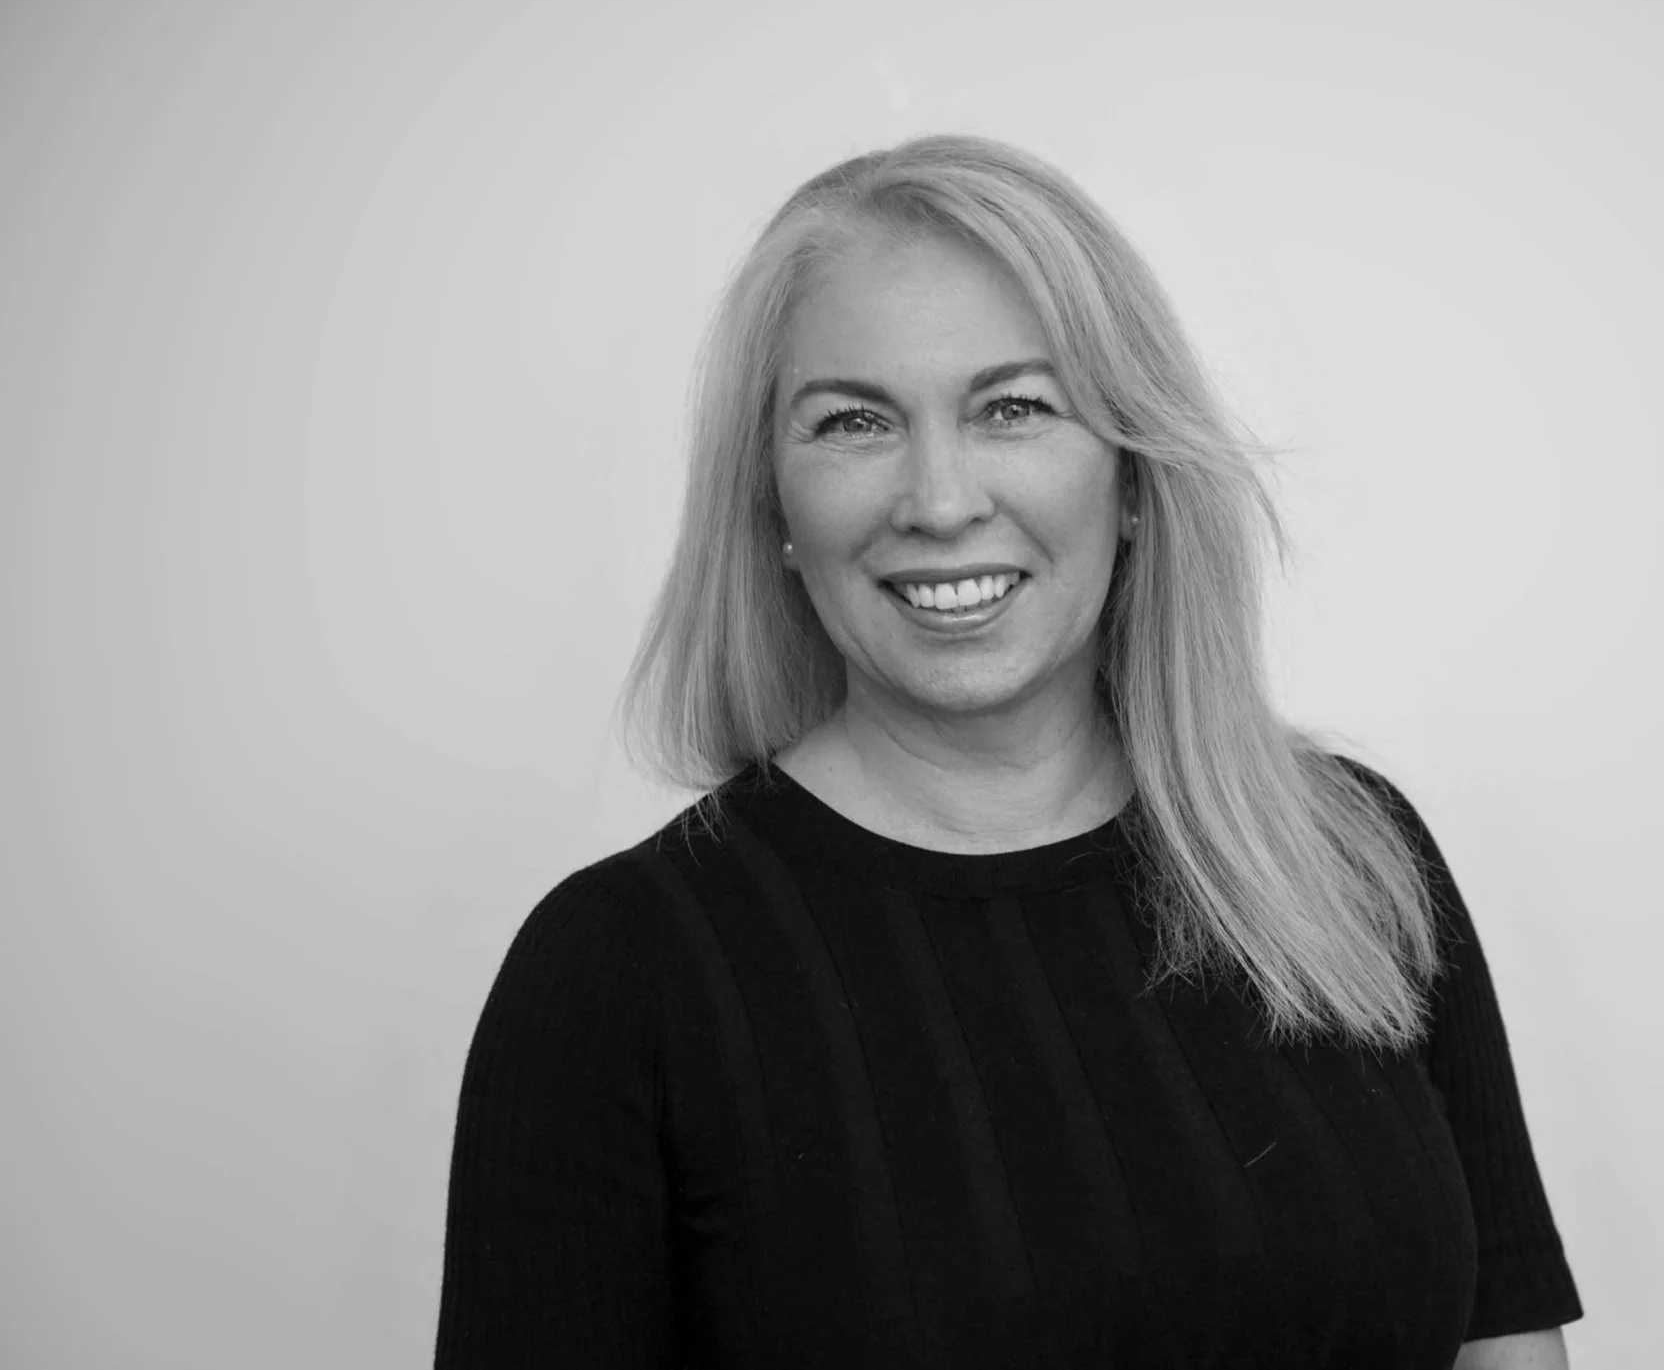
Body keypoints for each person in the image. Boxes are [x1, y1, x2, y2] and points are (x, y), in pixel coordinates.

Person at [433, 134, 1583, 1368]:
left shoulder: (1348, 857)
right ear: (771, 505)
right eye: (854, 421)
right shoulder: (617, 974)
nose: (938, 500)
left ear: (1133, 475)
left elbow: (1501, 1350)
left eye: (1014, 408)